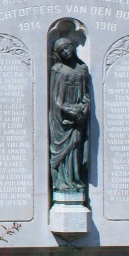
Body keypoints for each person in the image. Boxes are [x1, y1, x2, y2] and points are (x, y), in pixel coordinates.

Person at [49, 37, 90, 193]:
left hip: (78, 118)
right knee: (63, 151)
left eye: (67, 48)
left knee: (77, 147)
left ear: (73, 46)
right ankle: (62, 182)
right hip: (61, 119)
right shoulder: (57, 69)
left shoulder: (82, 69)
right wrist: (68, 110)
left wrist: (83, 109)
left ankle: (75, 180)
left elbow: (86, 93)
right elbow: (54, 98)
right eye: (61, 51)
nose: (66, 52)